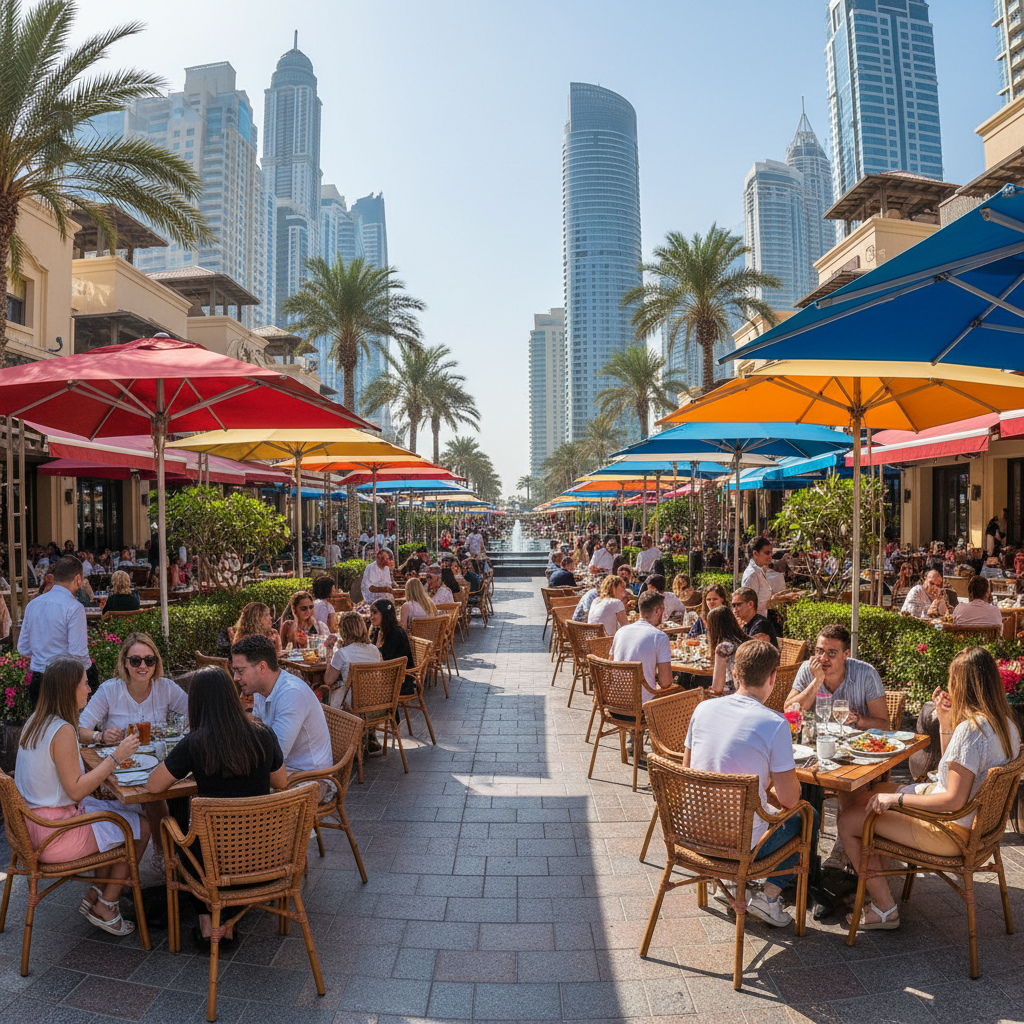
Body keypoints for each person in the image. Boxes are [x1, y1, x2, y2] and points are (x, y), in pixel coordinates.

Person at [838, 648, 1020, 932]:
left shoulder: (972, 730)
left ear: (962, 685)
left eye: (952, 680)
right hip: (978, 827)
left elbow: (953, 798)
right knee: (866, 797)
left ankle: (884, 907)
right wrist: (946, 723)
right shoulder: (1006, 724)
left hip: (950, 831)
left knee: (848, 819)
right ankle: (876, 879)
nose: (949, 687)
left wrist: (896, 799)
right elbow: (951, 772)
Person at [147, 665, 287, 947]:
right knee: (221, 840)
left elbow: (153, 786)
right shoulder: (264, 734)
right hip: (267, 855)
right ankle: (229, 918)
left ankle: (208, 923)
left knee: (189, 837)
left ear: (196, 702)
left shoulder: (195, 743)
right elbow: (281, 781)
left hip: (212, 865)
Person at [16, 656, 148, 936]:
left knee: (119, 814)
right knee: (139, 827)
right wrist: (116, 757)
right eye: (85, 684)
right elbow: (76, 789)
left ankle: (96, 894)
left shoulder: (37, 722)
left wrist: (99, 739)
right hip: (55, 835)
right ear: (69, 689)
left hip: (32, 828)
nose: (89, 689)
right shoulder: (62, 730)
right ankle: (107, 903)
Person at [685, 641, 813, 928]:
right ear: (772, 677)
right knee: (807, 816)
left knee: (760, 807)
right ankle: (768, 897)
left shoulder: (703, 709)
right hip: (739, 846)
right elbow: (791, 800)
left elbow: (688, 773)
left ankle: (730, 884)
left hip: (693, 834)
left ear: (736, 675)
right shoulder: (775, 723)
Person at [78, 632, 189, 841]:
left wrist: (181, 732)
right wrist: (100, 736)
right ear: (125, 663)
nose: (143, 666)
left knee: (164, 790)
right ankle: (166, 852)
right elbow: (81, 730)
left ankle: (168, 854)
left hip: (158, 764)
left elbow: (194, 710)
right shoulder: (110, 690)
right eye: (136, 660)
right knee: (154, 793)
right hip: (121, 768)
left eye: (149, 660)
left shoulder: (165, 687)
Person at [230, 635, 331, 774]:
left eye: (240, 671)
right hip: (285, 771)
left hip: (308, 779)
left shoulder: (291, 694)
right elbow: (259, 733)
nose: (236, 678)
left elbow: (275, 757)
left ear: (262, 667)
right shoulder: (261, 689)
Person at [784, 624, 889, 732]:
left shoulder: (866, 674)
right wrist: (817, 681)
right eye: (819, 651)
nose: (824, 658)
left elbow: (884, 725)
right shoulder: (807, 669)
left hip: (855, 744)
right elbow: (789, 711)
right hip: (815, 742)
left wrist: (858, 720)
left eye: (832, 653)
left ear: (846, 654)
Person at [19, 554, 92, 707]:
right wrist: (90, 676)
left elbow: (24, 647)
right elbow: (78, 653)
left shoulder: (33, 604)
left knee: (41, 729)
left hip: (38, 680)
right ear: (78, 579)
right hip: (63, 681)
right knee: (65, 728)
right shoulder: (74, 607)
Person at [611, 591, 673, 708]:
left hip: (613, 704)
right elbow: (665, 683)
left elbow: (610, 663)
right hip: (642, 709)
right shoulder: (659, 637)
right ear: (657, 611)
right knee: (682, 692)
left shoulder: (621, 631)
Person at [323, 611, 382, 709]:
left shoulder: (342, 654)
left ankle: (328, 722)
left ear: (343, 631)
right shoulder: (374, 650)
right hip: (375, 702)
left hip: (352, 706)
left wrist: (329, 651)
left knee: (325, 691)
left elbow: (328, 680)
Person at [368, 598, 416, 695]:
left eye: (375, 612)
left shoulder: (396, 633)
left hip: (398, 682)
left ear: (385, 613)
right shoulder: (377, 632)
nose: (371, 616)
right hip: (381, 677)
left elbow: (390, 662)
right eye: (371, 613)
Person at [707, 604, 749, 696]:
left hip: (736, 696)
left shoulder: (724, 648)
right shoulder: (745, 641)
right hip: (757, 693)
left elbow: (717, 688)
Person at [741, 537, 780, 616]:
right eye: (767, 553)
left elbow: (761, 599)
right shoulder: (752, 575)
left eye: (771, 553)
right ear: (755, 553)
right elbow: (750, 605)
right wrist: (780, 599)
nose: (770, 556)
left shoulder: (759, 570)